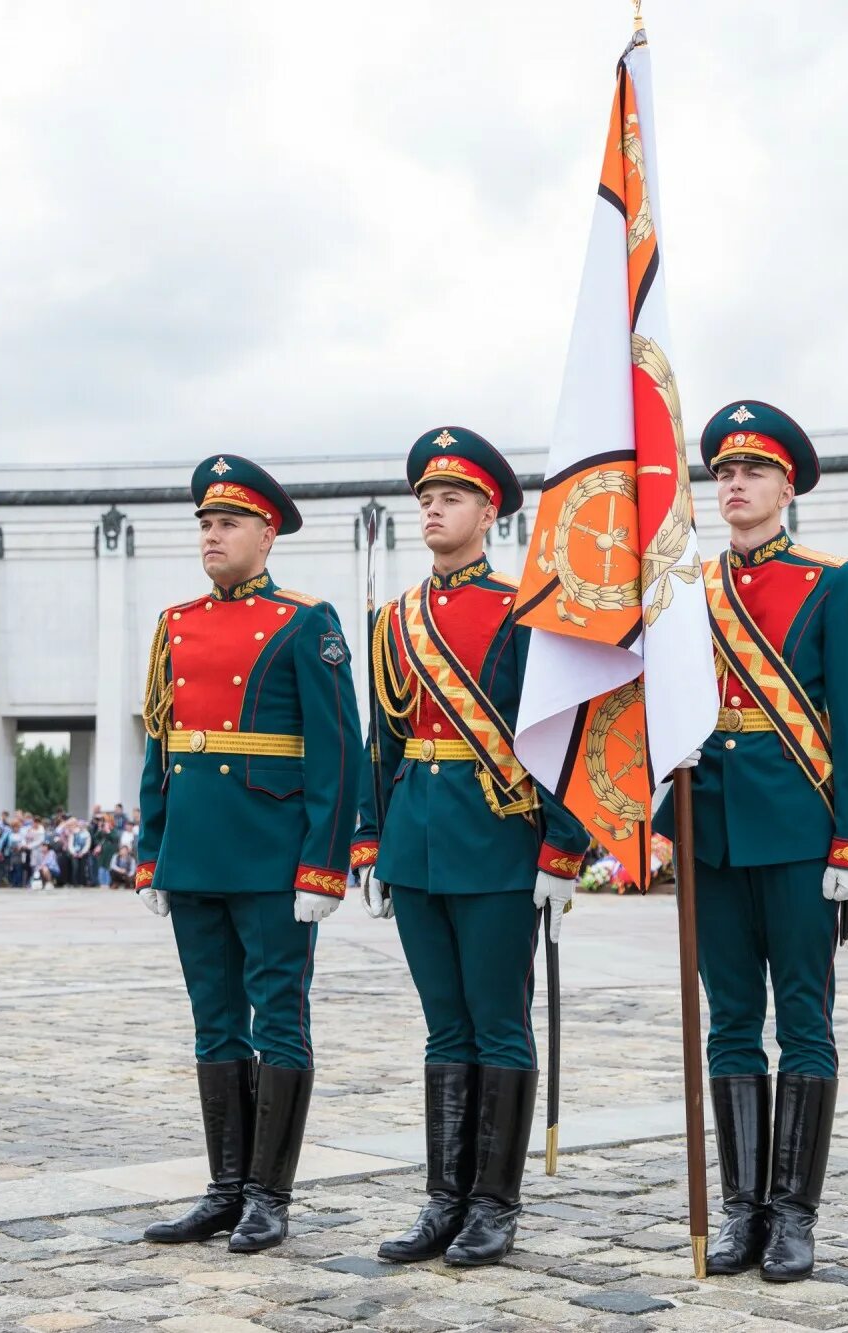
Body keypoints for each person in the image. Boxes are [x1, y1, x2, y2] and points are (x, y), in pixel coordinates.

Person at [351, 427, 591, 1270]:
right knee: (442, 1027)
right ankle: (442, 1200)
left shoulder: (527, 605)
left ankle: (494, 1204)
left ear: (489, 510)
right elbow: (381, 738)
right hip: (416, 838)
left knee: (497, 1024)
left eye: (450, 497)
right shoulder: (395, 619)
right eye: (424, 497)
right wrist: (370, 839)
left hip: (497, 839)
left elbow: (563, 734)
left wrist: (564, 848)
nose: (433, 509)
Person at [657, 401, 848, 1282]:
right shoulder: (686, 589)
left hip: (798, 833)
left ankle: (794, 1213)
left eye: (753, 471)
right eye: (723, 473)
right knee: (732, 1025)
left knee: (805, 1021)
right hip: (710, 831)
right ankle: (742, 1208)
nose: (736, 484)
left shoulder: (833, 580)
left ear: (788, 486)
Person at [135, 454, 362, 1255]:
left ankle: (270, 1196)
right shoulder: (175, 622)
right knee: (214, 1024)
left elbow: (339, 749)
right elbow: (162, 743)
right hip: (195, 852)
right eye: (204, 522)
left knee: (281, 1022)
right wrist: (151, 846)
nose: (212, 534)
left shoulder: (307, 620)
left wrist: (324, 863)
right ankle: (223, 1189)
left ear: (267, 533)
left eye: (227, 522)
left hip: (271, 855)